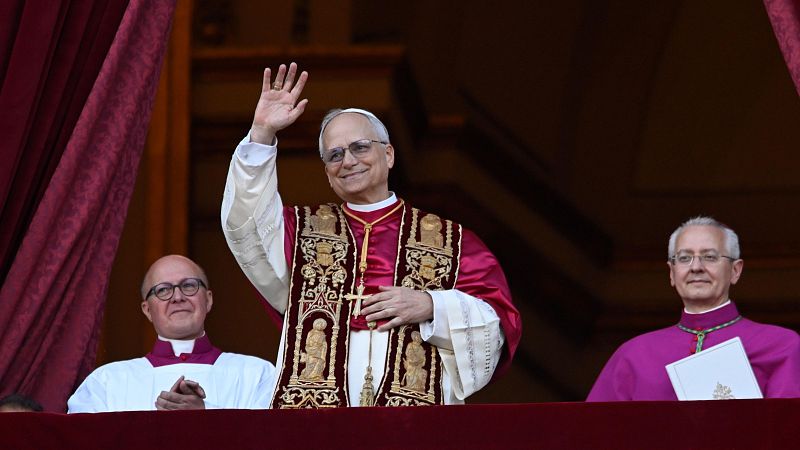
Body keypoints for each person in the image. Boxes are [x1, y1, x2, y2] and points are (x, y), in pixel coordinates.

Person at [221, 62, 521, 407]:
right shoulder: (300, 231)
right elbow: (244, 222)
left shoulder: (453, 242)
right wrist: (261, 134)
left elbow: (498, 326)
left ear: (389, 154)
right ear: (327, 173)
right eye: (334, 155)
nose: (348, 161)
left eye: (360, 147)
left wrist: (432, 305)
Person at [587, 216, 800, 401]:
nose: (696, 267)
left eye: (710, 257)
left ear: (735, 270)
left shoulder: (781, 346)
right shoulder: (633, 354)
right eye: (684, 258)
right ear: (672, 272)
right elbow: (594, 434)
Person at [67, 255, 276, 412]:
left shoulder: (258, 374)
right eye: (163, 290)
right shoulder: (106, 382)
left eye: (189, 286)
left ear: (209, 299)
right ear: (147, 310)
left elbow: (273, 437)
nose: (177, 297)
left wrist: (206, 418)